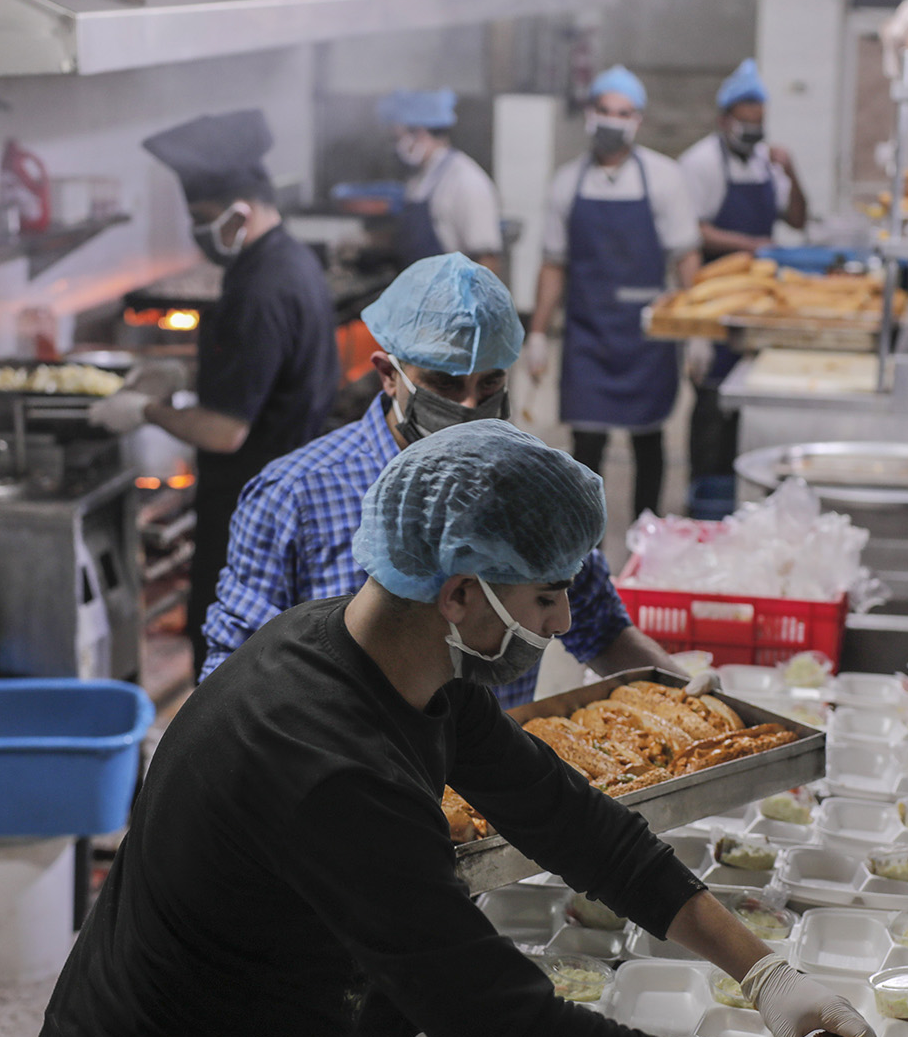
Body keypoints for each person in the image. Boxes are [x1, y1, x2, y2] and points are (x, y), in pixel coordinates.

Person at [37, 420, 889, 1037]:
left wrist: (767, 973)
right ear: (459, 593)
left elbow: (575, 822)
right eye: (546, 596)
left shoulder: (395, 664)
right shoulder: (332, 768)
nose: (560, 626)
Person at [204, 252, 696, 712]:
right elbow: (235, 674)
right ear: (388, 375)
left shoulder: (532, 488)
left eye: (489, 385)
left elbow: (600, 629)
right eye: (444, 383)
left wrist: (690, 699)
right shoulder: (296, 496)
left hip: (492, 784)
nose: (467, 408)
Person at [95, 110, 339, 673]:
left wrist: (145, 410)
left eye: (204, 220)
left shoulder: (260, 288)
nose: (200, 234)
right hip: (289, 493)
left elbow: (224, 431)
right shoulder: (291, 260)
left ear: (241, 210)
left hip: (247, 511)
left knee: (232, 664)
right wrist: (184, 375)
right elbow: (264, 369)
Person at [525, 65, 702, 518]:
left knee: (648, 441)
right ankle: (587, 553)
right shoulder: (567, 183)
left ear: (637, 121)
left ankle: (647, 534)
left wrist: (699, 327)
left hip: (648, 337)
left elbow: (686, 257)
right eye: (604, 110)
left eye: (623, 113)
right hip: (588, 336)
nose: (612, 120)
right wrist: (539, 333)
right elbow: (553, 264)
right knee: (586, 447)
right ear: (589, 113)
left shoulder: (664, 178)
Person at [677, 58, 809, 515]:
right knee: (712, 404)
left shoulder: (764, 163)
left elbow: (797, 219)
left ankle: (741, 494)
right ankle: (705, 496)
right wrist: (750, 245)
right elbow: (690, 230)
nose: (753, 132)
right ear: (724, 121)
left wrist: (792, 172)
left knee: (748, 404)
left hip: (757, 305)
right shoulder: (699, 163)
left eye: (759, 124)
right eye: (745, 123)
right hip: (716, 303)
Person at [376, 88, 505, 274]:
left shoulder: (465, 180)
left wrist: (470, 303)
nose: (397, 146)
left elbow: (487, 259)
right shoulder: (419, 179)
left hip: (451, 299)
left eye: (399, 137)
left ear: (419, 133)